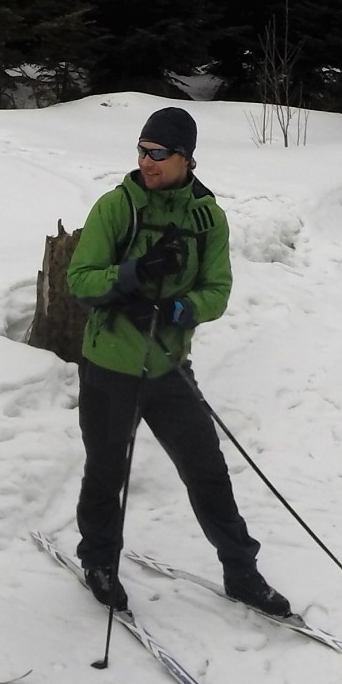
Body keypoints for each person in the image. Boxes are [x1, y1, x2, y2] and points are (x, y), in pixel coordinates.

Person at [65, 106, 289, 616]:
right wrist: (133, 274)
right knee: (106, 472)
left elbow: (217, 291)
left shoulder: (207, 218)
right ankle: (99, 561)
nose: (146, 162)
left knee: (207, 470)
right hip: (110, 368)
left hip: (168, 368)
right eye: (142, 151)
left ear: (186, 158)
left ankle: (242, 571)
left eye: (159, 153)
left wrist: (177, 309)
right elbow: (80, 279)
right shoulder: (117, 208)